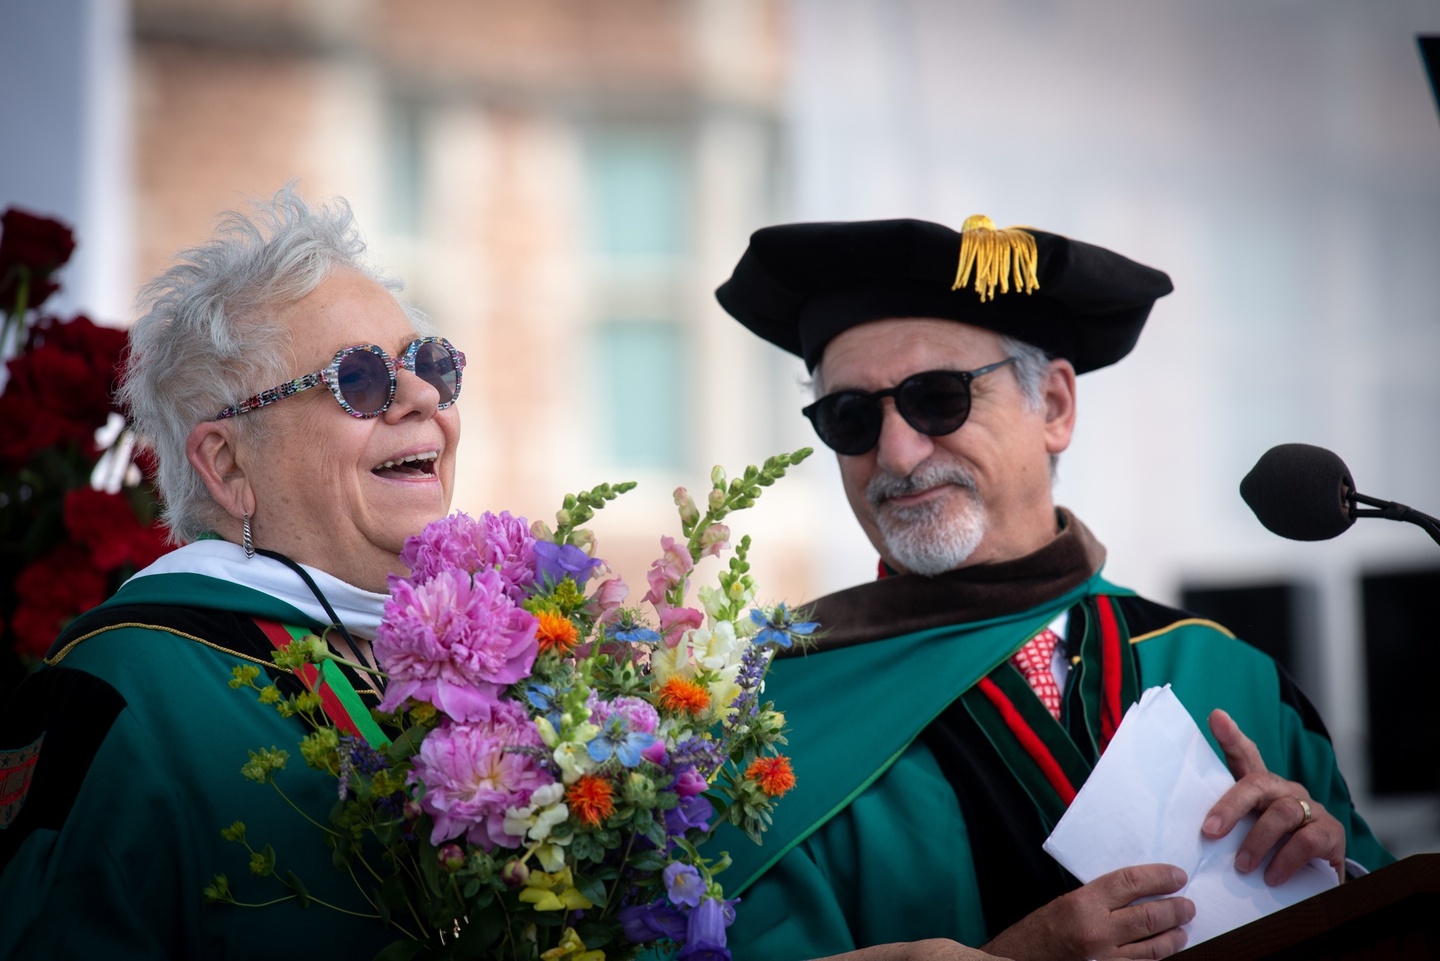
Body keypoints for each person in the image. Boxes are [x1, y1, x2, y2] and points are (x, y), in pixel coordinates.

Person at [706, 216, 1394, 961]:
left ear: (1055, 407)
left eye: (938, 398)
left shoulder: (1226, 673)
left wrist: (1336, 878)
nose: (897, 451)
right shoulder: (769, 723)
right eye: (851, 416)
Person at [0, 188, 465, 958]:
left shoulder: (500, 672)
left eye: (432, 365)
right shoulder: (116, 688)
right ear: (227, 463)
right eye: (359, 379)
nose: (421, 398)